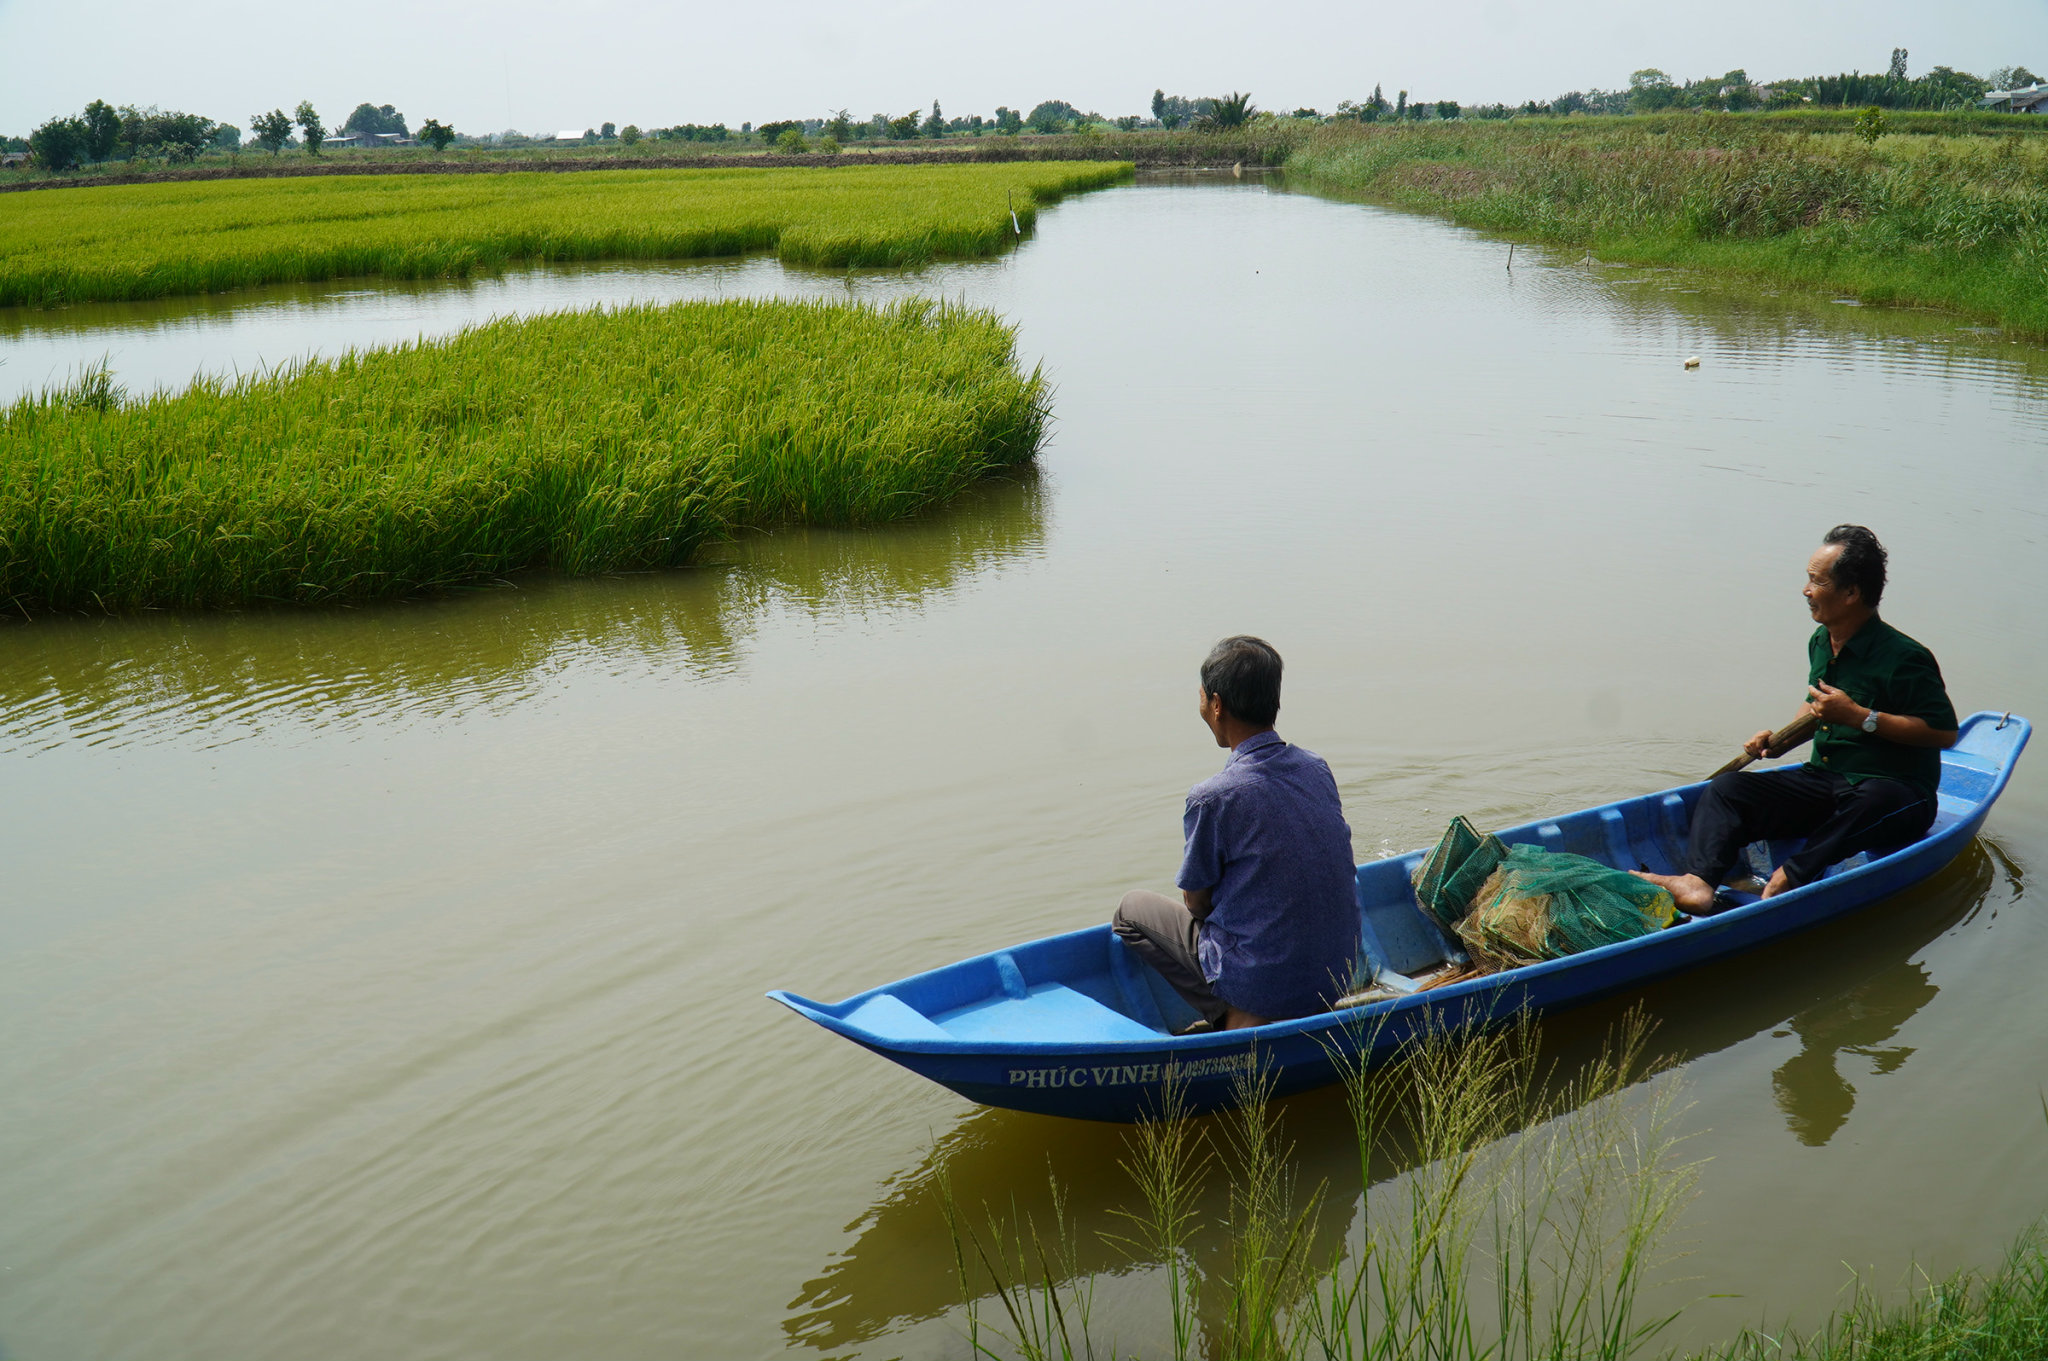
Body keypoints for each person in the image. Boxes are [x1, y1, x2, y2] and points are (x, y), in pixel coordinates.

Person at [1635, 525, 1958, 914]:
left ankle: (1794, 875)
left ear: (1852, 592)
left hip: (1897, 793)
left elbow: (1943, 733)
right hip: (1827, 781)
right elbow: (1816, 704)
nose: (1806, 591)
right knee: (1727, 789)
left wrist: (1860, 717)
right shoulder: (1822, 641)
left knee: (1875, 799)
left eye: (1816, 581)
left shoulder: (1905, 657)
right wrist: (1780, 740)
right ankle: (1699, 882)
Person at [1112, 636, 1360, 1033]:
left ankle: (1231, 1014)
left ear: (1216, 704)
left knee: (1129, 909)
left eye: (1201, 698)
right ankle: (1254, 1000)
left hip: (1261, 984)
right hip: (1337, 973)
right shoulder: (1316, 768)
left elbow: (1196, 902)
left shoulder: (1212, 797)